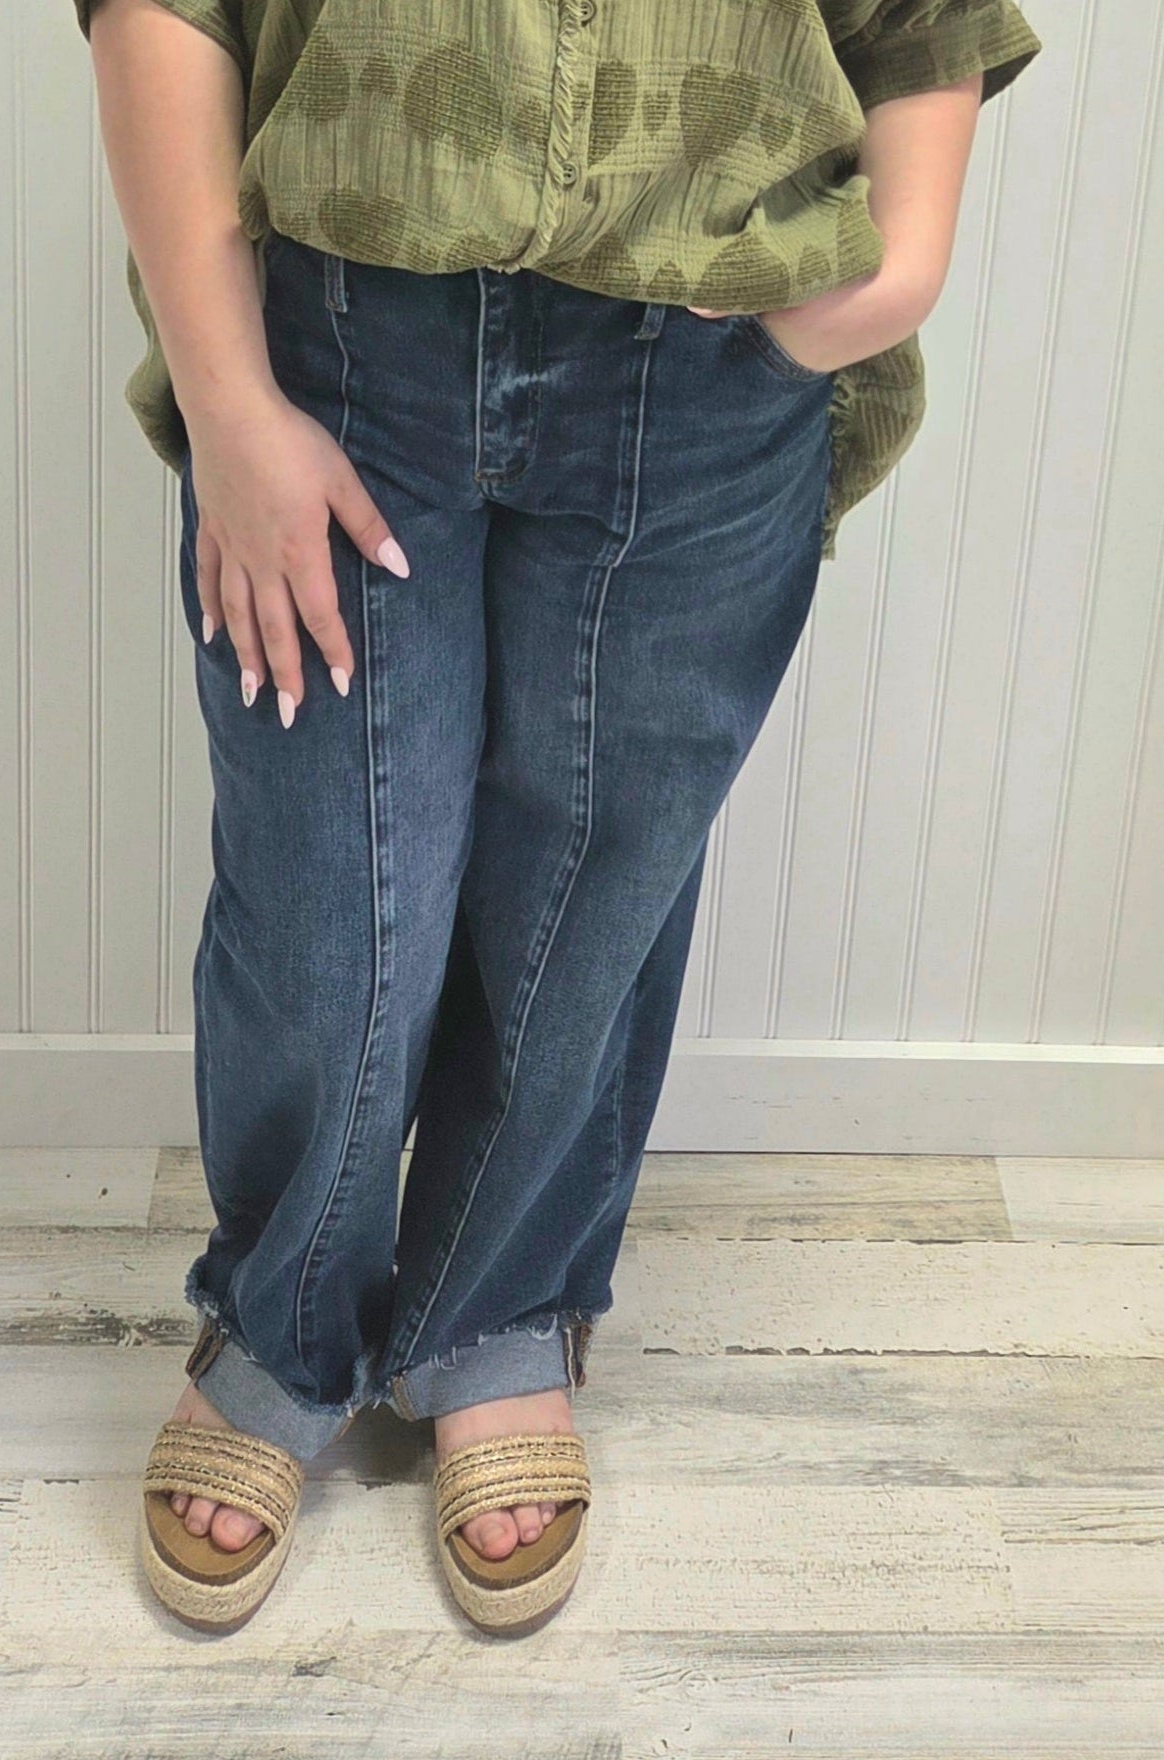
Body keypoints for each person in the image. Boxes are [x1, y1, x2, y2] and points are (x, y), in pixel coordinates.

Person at [71, 0, 1043, 1635]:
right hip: (344, 334)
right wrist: (229, 404)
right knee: (326, 910)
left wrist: (900, 268)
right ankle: (282, 1323)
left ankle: (501, 1312)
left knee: (592, 893)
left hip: (711, 358)